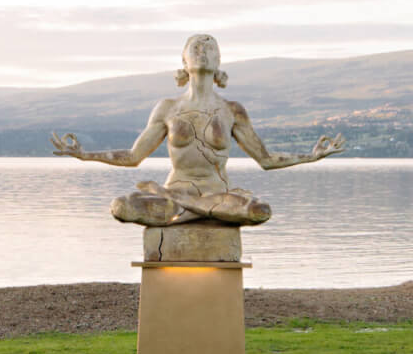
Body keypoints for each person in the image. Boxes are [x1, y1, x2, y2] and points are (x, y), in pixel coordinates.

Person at [51, 33, 345, 226]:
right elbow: (132, 156)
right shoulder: (167, 108)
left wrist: (312, 156)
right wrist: (84, 155)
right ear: (185, 61)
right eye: (196, 48)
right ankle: (191, 207)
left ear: (219, 62)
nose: (203, 52)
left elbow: (266, 160)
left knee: (259, 211)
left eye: (210, 49)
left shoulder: (231, 110)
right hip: (176, 190)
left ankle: (188, 208)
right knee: (121, 206)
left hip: (217, 194)